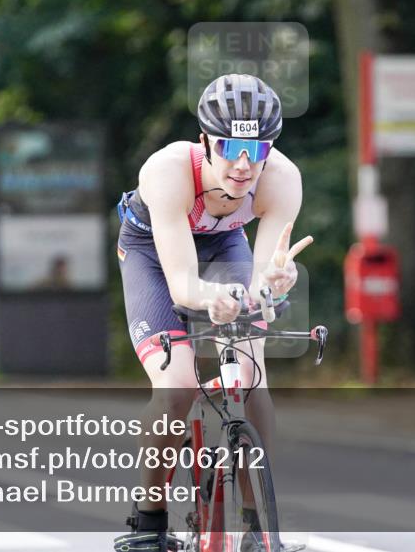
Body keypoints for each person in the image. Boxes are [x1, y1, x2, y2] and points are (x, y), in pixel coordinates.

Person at [113, 74, 313, 551]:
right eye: (228, 147)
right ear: (205, 142)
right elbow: (183, 286)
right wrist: (209, 299)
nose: (243, 166)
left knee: (249, 370)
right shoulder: (167, 171)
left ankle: (257, 527)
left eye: (257, 150)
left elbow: (266, 280)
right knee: (177, 387)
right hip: (153, 254)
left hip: (226, 245)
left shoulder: (283, 180)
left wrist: (273, 285)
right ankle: (149, 523)